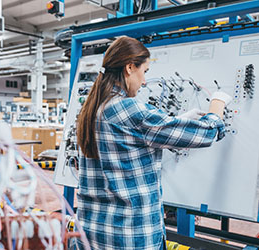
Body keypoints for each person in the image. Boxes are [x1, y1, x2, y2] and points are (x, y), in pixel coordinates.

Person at [76, 36, 231, 250]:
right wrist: (218, 102)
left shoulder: (92, 109)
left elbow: (132, 140)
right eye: (145, 72)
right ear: (130, 67)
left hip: (91, 234)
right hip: (130, 238)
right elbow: (207, 133)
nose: (145, 81)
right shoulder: (129, 109)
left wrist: (180, 120)